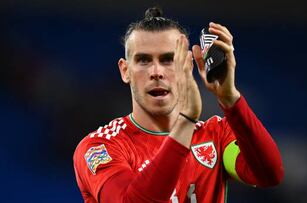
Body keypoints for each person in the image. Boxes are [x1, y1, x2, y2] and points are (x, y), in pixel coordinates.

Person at [73, 7, 284, 203]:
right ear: (125, 70)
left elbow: (268, 174)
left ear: (188, 64)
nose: (156, 72)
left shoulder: (216, 136)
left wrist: (230, 98)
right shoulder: (99, 147)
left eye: (167, 60)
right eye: (144, 60)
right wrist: (186, 122)